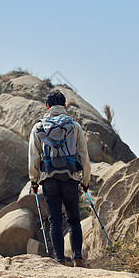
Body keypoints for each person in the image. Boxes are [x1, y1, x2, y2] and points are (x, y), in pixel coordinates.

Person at [28, 91, 90, 267]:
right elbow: (84, 155)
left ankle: (60, 261)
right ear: (64, 106)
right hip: (71, 177)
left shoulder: (38, 127)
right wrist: (85, 180)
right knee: (73, 219)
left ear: (47, 106)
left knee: (55, 220)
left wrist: (34, 180)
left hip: (49, 178)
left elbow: (34, 157)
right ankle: (78, 259)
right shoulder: (74, 126)